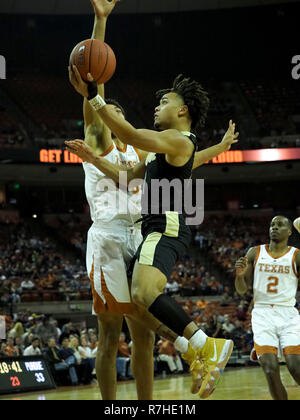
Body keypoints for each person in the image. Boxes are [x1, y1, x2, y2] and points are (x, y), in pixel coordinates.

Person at [66, 68, 239, 397]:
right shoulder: (151, 147)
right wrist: (220, 148)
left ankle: (200, 346)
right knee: (128, 320)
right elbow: (128, 176)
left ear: (182, 110)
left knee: (144, 300)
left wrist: (94, 96)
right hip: (123, 234)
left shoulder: (168, 140)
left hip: (158, 227)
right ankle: (194, 348)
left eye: (164, 101)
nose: (157, 106)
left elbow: (131, 134)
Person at [235, 215, 300, 400]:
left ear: (289, 232)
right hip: (262, 315)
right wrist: (239, 276)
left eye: (280, 225)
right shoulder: (254, 252)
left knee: (296, 367)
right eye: (272, 224)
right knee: (270, 370)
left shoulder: (296, 255)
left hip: (288, 315)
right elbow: (241, 290)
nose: (274, 227)